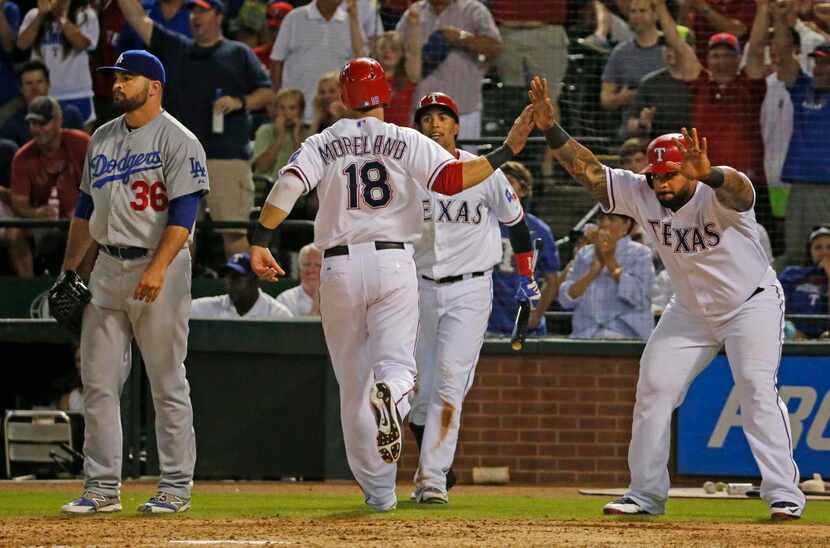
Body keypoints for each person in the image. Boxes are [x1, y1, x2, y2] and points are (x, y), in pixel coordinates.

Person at [249, 57, 534, 512]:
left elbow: (287, 186)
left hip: (338, 267)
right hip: (395, 263)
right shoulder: (406, 139)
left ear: (344, 98)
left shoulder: (324, 140)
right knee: (398, 369)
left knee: (352, 387)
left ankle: (380, 493)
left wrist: (260, 240)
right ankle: (395, 401)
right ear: (386, 95)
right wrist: (505, 151)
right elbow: (454, 178)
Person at [529, 75, 806, 520]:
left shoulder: (719, 194)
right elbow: (590, 173)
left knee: (756, 390)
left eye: (670, 174)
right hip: (690, 311)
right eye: (655, 175)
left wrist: (709, 173)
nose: (660, 184)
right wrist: (551, 130)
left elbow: (739, 189)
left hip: (750, 303)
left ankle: (784, 494)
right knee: (654, 390)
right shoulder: (643, 192)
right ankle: (646, 494)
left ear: (690, 169)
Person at [59, 50, 208, 514]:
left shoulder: (178, 139)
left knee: (167, 381)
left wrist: (159, 266)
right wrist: (70, 270)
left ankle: (176, 487)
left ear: (154, 85)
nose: (117, 85)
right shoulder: (101, 137)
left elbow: (185, 214)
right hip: (107, 267)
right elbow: (84, 210)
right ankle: (101, 489)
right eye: (115, 78)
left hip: (159, 266)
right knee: (98, 381)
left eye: (128, 77)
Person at [409, 92, 538, 504]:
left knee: (449, 383)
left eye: (443, 116)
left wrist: (525, 275)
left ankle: (431, 480)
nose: (435, 124)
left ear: (457, 125)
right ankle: (435, 468)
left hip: (470, 289)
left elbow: (516, 225)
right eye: (427, 117)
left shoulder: (483, 171)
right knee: (420, 396)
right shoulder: (408, 174)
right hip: (419, 289)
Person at [116, 0, 274, 259]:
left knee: (233, 233)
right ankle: (177, 296)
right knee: (179, 236)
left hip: (227, 156)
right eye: (192, 11)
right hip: (182, 157)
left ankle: (244, 297)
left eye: (202, 10)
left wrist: (239, 102)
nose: (195, 16)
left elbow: (267, 93)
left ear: (219, 16)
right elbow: (137, 19)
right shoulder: (177, 48)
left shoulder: (238, 52)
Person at [395, 0, 503, 140]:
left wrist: (460, 37)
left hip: (463, 110)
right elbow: (396, 49)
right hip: (422, 112)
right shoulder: (414, 12)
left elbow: (495, 47)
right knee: (422, 161)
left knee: (465, 160)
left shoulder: (473, 9)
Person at [773, 7, 830, 267]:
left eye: (826, 63)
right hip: (799, 186)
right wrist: (778, 17)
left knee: (824, 255)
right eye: (817, 62)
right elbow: (784, 56)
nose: (818, 68)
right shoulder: (803, 88)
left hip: (826, 187)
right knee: (795, 254)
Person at [9, 96, 89, 278]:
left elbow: (101, 186)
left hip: (81, 217)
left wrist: (83, 210)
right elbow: (19, 202)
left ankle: (84, 286)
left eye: (42, 123)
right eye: (32, 124)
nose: (36, 129)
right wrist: (35, 213)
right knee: (14, 234)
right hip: (44, 221)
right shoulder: (22, 157)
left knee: (91, 228)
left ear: (59, 120)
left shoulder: (82, 143)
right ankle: (28, 290)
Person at [269, 0, 371, 124]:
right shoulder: (294, 18)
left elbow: (362, 61)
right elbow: (276, 60)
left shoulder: (351, 21)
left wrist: (354, 17)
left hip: (335, 117)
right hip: (295, 114)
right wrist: (278, 98)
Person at [488, 161, 560, 335]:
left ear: (523, 190)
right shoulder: (483, 224)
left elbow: (553, 279)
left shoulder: (539, 230)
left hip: (526, 324)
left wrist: (536, 315)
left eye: (509, 181)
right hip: (488, 321)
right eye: (499, 182)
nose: (503, 187)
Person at [558, 211, 654, 340]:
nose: (604, 223)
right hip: (584, 335)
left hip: (628, 336)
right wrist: (592, 272)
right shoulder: (584, 253)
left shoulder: (641, 253)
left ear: (627, 224)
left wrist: (609, 259)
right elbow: (565, 300)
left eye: (612, 219)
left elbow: (638, 297)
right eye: (601, 218)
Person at [17, 0, 100, 126]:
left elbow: (83, 44)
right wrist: (40, 15)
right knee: (44, 140)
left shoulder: (86, 15)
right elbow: (22, 44)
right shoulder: (33, 15)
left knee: (80, 143)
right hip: (42, 94)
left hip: (77, 93)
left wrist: (60, 16)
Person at [624, 1, 698, 139]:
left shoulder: (702, 81)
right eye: (666, 47)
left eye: (674, 46)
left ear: (691, 50)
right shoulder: (651, 83)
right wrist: (642, 123)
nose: (670, 51)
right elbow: (630, 124)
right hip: (660, 152)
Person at [600, 0, 665, 130]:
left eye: (642, 11)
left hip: (668, 121)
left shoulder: (669, 47)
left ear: (656, 14)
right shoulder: (620, 52)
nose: (636, 16)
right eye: (632, 11)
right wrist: (620, 98)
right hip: (631, 129)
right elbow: (605, 99)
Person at [0, 61, 84, 146]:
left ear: (48, 84)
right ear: (21, 89)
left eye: (39, 82)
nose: (35, 88)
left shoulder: (70, 115)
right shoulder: (12, 124)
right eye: (29, 83)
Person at [191, 252, 293, 318]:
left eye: (236, 276)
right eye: (227, 276)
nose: (229, 281)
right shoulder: (209, 307)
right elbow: (183, 310)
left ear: (255, 280)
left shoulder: (277, 313)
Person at [778, 225, 830, 339]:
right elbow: (774, 304)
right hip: (793, 335)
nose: (824, 252)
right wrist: (792, 331)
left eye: (829, 247)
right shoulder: (792, 273)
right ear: (809, 250)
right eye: (818, 247)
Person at [252, 88, 311, 180]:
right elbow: (261, 168)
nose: (286, 113)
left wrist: (296, 137)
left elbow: (305, 169)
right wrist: (280, 137)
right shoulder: (265, 131)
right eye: (282, 108)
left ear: (300, 111)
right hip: (268, 185)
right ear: (276, 110)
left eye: (292, 108)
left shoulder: (308, 133)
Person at [375, 29, 421, 128]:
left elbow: (415, 52)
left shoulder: (409, 78)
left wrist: (414, 23)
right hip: (375, 137)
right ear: (376, 52)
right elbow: (358, 50)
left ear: (402, 54)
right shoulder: (369, 79)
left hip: (401, 138)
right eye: (383, 47)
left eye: (394, 49)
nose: (387, 51)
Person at [275, 242, 321, 316]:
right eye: (307, 264)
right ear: (299, 268)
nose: (312, 269)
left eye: (318, 265)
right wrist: (314, 311)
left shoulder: (337, 297)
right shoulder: (285, 299)